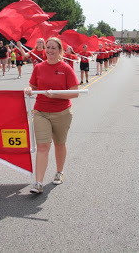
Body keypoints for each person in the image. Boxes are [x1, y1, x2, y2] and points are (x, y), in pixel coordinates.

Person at [24, 37, 80, 194]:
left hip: (62, 112)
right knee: (43, 146)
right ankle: (38, 182)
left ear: (60, 51)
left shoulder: (66, 68)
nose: (49, 50)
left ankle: (59, 171)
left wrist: (55, 95)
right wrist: (29, 89)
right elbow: (32, 85)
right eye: (48, 47)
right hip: (41, 111)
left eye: (53, 48)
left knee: (59, 144)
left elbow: (75, 92)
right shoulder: (39, 68)